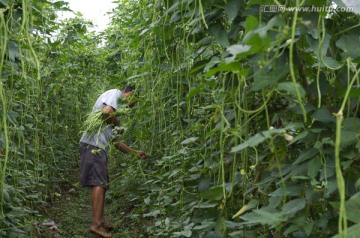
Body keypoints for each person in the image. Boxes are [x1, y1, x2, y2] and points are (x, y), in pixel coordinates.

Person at [79, 86, 147, 238]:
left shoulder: (116, 110)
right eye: (134, 101)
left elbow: (114, 141)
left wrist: (135, 153)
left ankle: (101, 220)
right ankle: (96, 225)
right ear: (130, 94)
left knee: (102, 184)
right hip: (93, 145)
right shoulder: (114, 94)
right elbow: (106, 113)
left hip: (98, 146)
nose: (132, 106)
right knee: (99, 183)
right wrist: (117, 123)